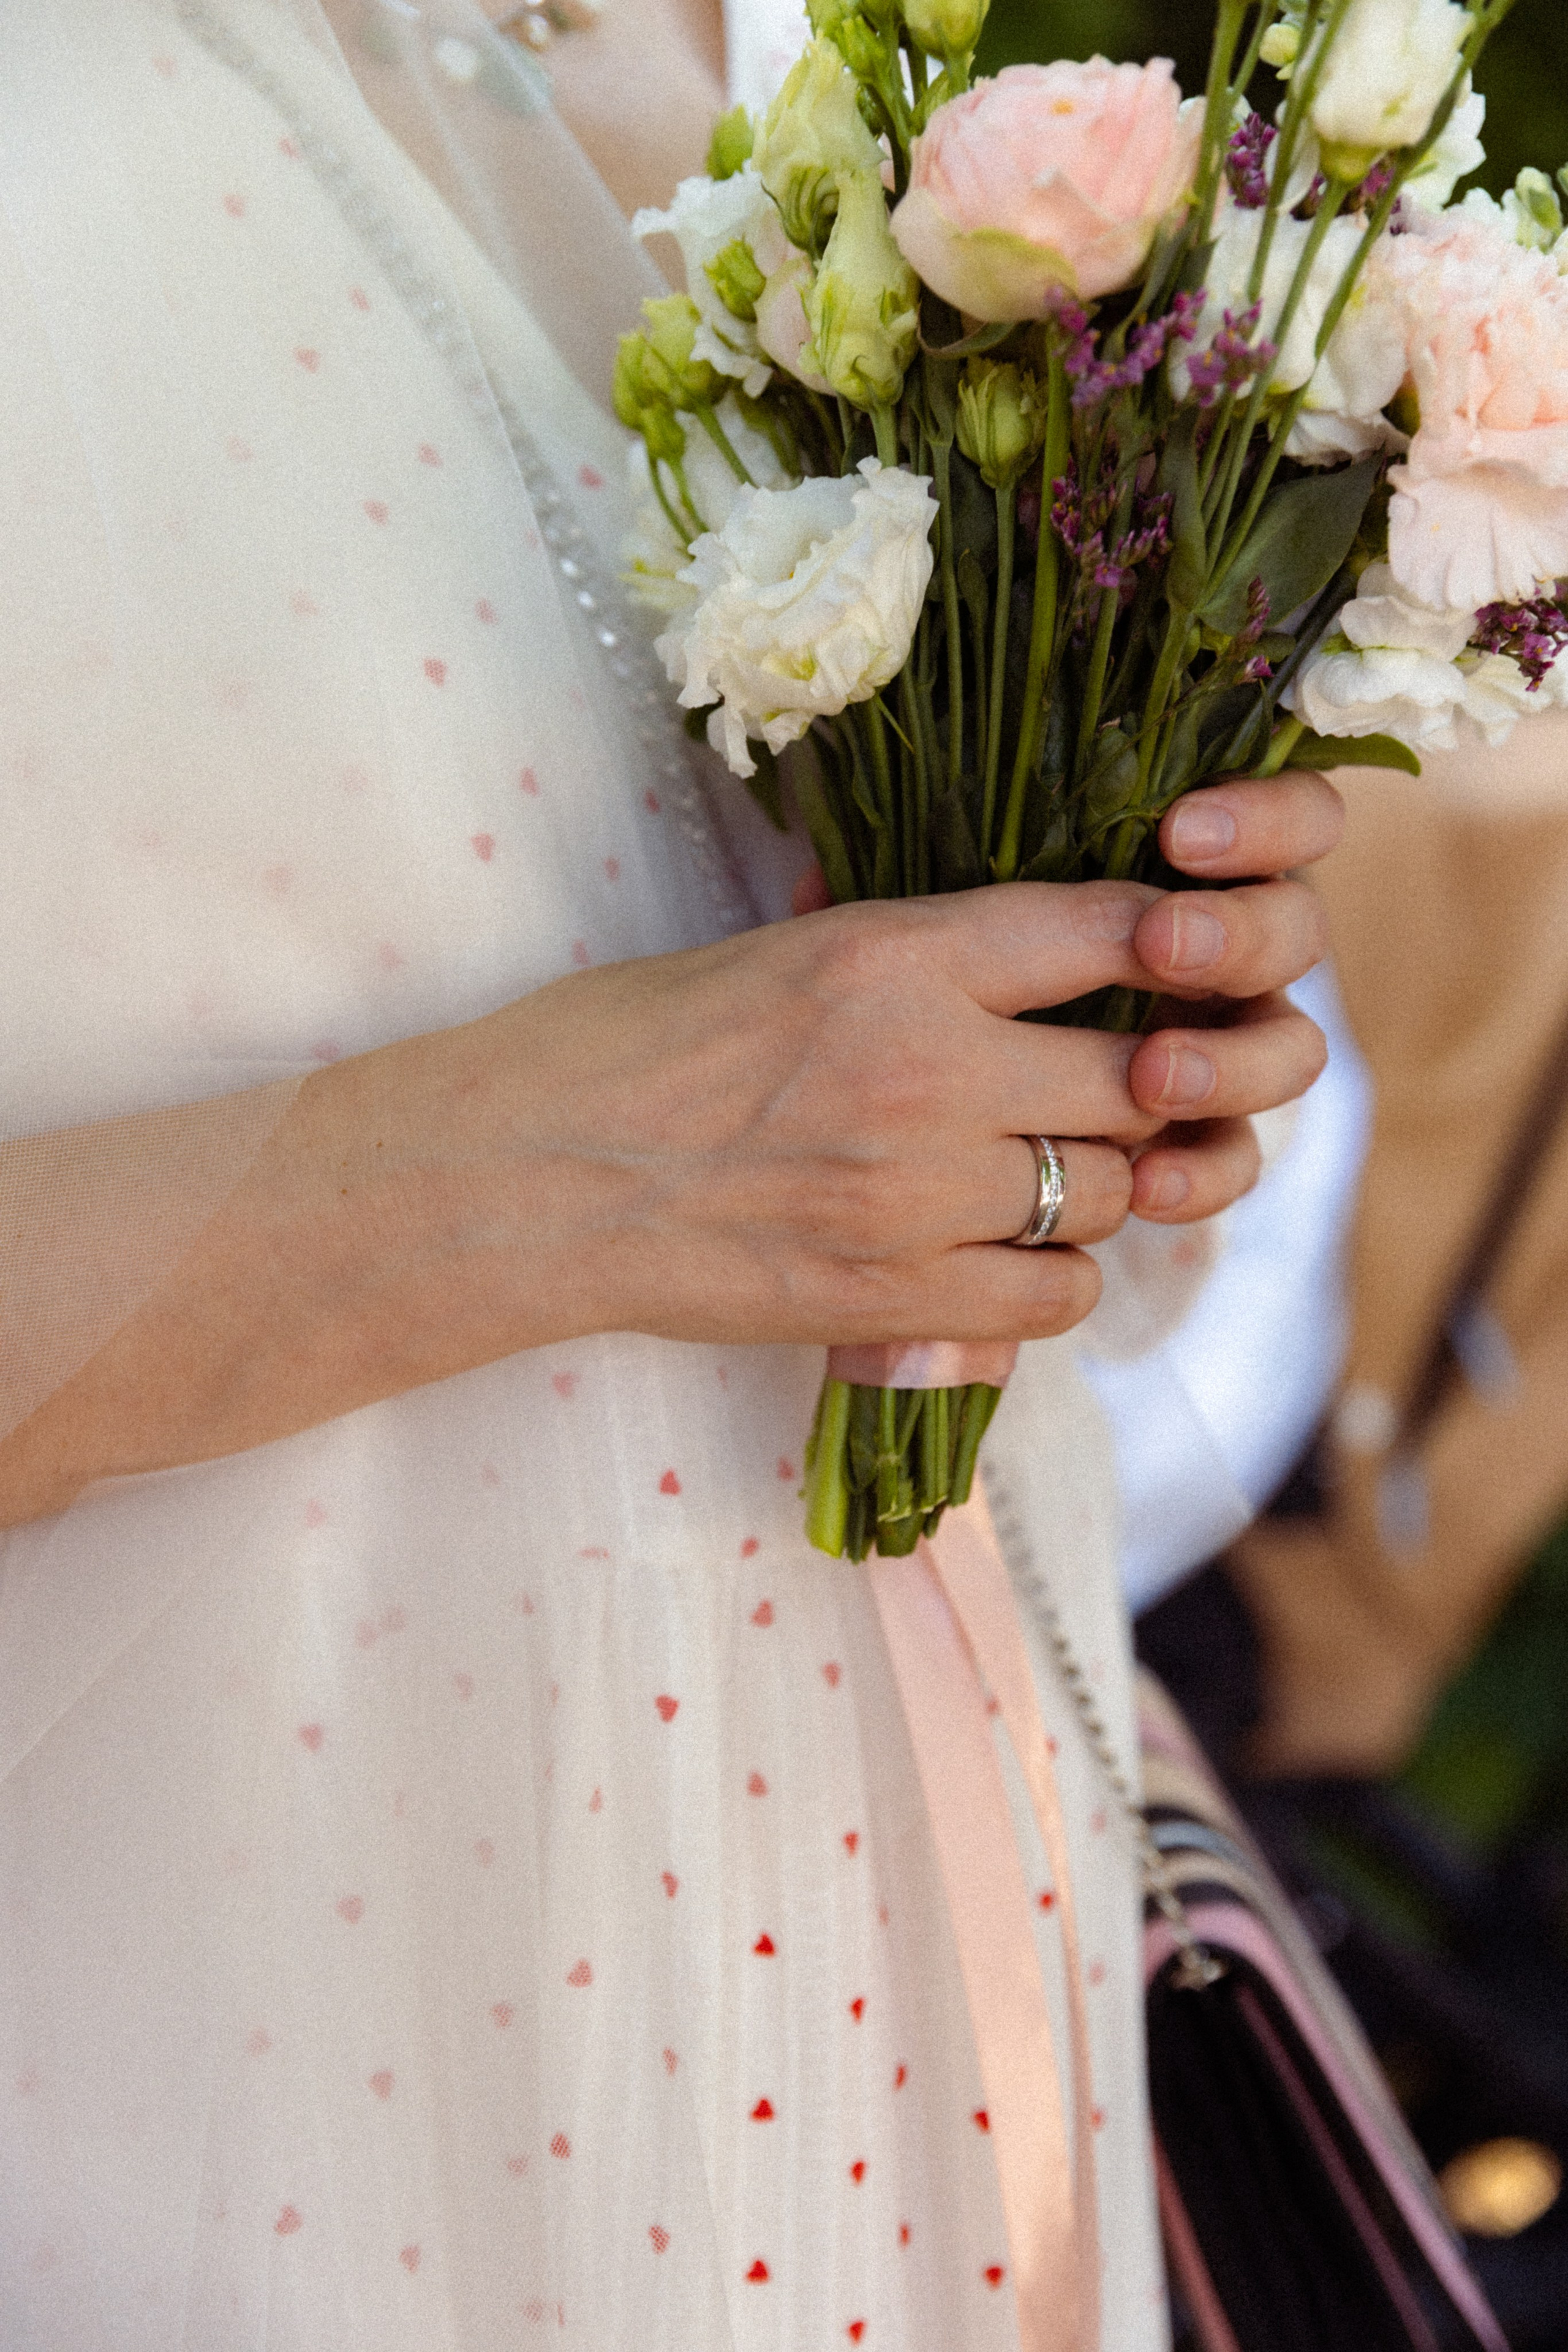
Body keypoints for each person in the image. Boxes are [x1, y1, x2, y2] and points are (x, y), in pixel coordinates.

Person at [0, 4, 1336, 2345]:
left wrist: (1092, 994)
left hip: (891, 2055)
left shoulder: (781, 63)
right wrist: (579, 1161)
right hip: (263, 2112)